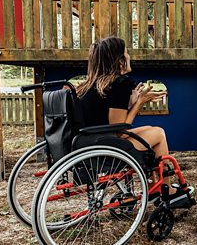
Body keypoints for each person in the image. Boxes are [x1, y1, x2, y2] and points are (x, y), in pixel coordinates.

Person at [77, 36, 190, 201]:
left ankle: (155, 187)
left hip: (89, 142)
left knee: (152, 130)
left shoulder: (90, 85)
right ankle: (164, 190)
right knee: (158, 134)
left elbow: (105, 118)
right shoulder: (118, 84)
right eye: (126, 53)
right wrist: (139, 103)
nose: (129, 56)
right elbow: (119, 128)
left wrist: (132, 101)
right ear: (120, 60)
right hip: (105, 146)